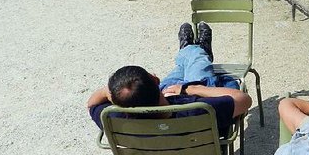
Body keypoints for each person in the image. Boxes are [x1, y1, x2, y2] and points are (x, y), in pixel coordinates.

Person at [87, 23, 252, 137]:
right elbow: (243, 99)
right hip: (181, 95)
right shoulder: (198, 110)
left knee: (183, 67)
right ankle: (196, 49)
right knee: (197, 71)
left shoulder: (116, 120)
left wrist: (113, 92)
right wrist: (191, 89)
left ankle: (189, 50)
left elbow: (92, 103)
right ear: (155, 79)